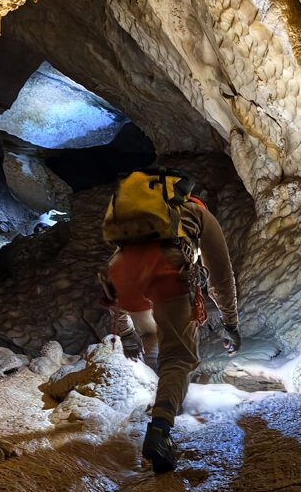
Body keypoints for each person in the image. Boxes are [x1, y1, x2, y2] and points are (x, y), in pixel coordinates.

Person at [101, 178, 240, 473]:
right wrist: (230, 323)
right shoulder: (198, 214)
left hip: (122, 272)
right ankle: (160, 431)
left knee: (154, 334)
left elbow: (122, 279)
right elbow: (221, 274)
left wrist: (125, 332)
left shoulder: (135, 220)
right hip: (168, 273)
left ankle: (167, 389)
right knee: (179, 357)